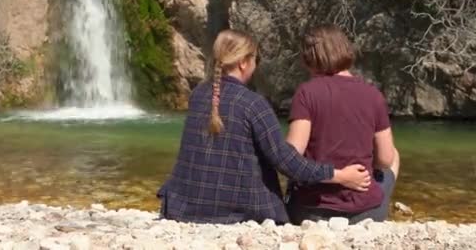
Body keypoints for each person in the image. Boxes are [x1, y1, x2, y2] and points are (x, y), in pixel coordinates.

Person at [157, 29, 371, 224]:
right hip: (239, 212)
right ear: (243, 63)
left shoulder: (197, 96)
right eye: (255, 59)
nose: (256, 64)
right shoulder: (253, 104)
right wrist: (340, 175)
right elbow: (286, 161)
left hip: (184, 208)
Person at [285, 24, 400, 224]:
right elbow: (385, 159)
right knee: (395, 155)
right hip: (366, 212)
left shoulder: (307, 93)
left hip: (311, 211)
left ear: (310, 58)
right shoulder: (373, 95)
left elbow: (290, 157)